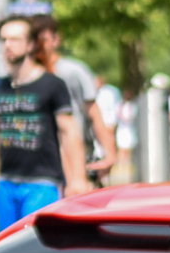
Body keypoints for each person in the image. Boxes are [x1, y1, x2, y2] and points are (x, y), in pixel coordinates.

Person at [0, 15, 86, 231]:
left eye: (15, 39)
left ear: (31, 44)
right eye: (4, 39)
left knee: (35, 245)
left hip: (42, 182)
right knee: (5, 249)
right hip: (5, 183)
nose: (8, 45)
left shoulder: (52, 84)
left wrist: (77, 179)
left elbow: (68, 131)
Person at [34, 16, 115, 177]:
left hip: (74, 159)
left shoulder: (72, 71)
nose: (39, 45)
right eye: (34, 40)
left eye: (44, 39)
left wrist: (110, 154)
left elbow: (93, 114)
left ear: (56, 40)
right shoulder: (24, 76)